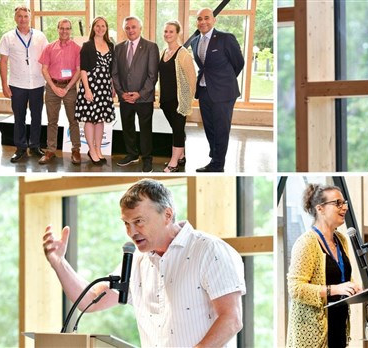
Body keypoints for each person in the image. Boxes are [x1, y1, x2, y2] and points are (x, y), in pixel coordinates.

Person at [42, 178, 246, 347]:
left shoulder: (209, 250)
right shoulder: (137, 261)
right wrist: (59, 263)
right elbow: (89, 302)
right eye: (126, 224)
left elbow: (231, 320)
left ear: (167, 215)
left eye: (138, 221)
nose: (131, 232)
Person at [287, 183, 361, 347]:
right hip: (312, 335)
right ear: (320, 209)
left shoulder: (341, 240)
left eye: (344, 203)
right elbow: (295, 288)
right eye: (337, 203)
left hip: (338, 328)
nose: (344, 208)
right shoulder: (306, 243)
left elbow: (341, 275)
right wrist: (335, 289)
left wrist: (354, 287)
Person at [191, 8, 245, 172]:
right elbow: (203, 66)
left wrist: (225, 80)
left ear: (214, 20)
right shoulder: (195, 41)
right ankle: (215, 155)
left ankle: (217, 164)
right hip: (204, 90)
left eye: (206, 18)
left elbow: (239, 63)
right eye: (199, 19)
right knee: (209, 126)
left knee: (221, 128)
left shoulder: (225, 38)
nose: (203, 22)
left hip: (223, 91)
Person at [0, 6, 48, 163]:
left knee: (37, 116)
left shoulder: (40, 36)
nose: (23, 19)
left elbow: (48, 58)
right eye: (20, 16)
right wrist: (4, 85)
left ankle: (34, 145)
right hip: (17, 84)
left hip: (37, 84)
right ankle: (20, 148)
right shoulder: (7, 37)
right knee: (19, 117)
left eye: (26, 16)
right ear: (15, 18)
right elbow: (3, 62)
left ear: (30, 17)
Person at [112, 16, 159, 172]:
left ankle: (147, 159)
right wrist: (121, 93)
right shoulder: (118, 48)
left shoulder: (151, 47)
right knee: (127, 128)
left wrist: (140, 94)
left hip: (144, 98)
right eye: (127, 28)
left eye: (133, 27)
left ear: (140, 28)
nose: (130, 30)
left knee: (145, 130)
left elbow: (153, 76)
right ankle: (132, 154)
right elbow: (115, 74)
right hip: (125, 98)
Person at [38, 19, 82, 165]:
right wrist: (54, 87)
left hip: (69, 87)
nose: (64, 31)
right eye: (62, 28)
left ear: (71, 30)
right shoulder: (49, 47)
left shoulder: (77, 48)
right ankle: (50, 150)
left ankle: (76, 150)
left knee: (73, 121)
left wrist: (67, 87)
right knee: (52, 121)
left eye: (67, 28)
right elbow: (44, 69)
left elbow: (78, 71)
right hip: (52, 87)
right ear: (58, 29)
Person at [75, 16, 115, 165]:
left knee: (100, 119)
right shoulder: (87, 46)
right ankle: (91, 149)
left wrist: (112, 86)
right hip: (91, 85)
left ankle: (98, 149)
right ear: (93, 28)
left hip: (104, 86)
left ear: (106, 28)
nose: (100, 28)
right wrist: (87, 90)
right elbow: (83, 70)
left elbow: (112, 69)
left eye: (103, 26)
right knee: (90, 119)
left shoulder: (111, 45)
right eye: (97, 26)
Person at [159, 20, 197, 173]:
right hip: (166, 100)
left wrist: (187, 102)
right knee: (177, 129)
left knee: (178, 130)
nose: (167, 34)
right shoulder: (164, 52)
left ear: (178, 33)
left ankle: (174, 162)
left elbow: (192, 79)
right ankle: (181, 155)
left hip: (179, 101)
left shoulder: (183, 54)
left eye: (171, 32)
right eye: (166, 31)